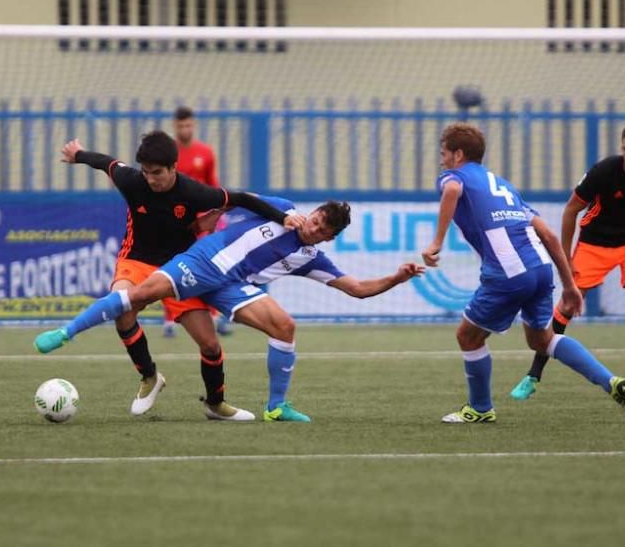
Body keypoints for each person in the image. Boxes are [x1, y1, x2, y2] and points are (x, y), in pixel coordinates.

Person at [35, 199, 425, 422]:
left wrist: (397, 277)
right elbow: (236, 198)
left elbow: (356, 289)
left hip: (230, 287)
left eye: (322, 230)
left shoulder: (310, 257)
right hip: (202, 262)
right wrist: (205, 222)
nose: (313, 228)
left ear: (328, 237)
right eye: (316, 219)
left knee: (284, 327)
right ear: (314, 212)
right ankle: (67, 332)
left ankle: (275, 406)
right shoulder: (284, 209)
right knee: (137, 297)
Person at [50, 130, 304, 421]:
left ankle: (215, 404)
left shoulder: (193, 192)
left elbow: (242, 199)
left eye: (157, 172)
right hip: (137, 259)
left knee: (209, 344)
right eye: (145, 172)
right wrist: (78, 155)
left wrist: (283, 218)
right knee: (122, 308)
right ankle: (149, 377)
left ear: (173, 168)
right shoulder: (132, 181)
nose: (150, 178)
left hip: (182, 268)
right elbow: (107, 163)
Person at [421, 123, 625, 423]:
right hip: (540, 268)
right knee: (543, 340)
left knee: (468, 337)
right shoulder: (504, 186)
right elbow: (549, 237)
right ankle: (610, 381)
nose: (442, 159)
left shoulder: (454, 176)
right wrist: (569, 285)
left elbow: (451, 189)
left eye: (444, 153)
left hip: (509, 273)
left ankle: (481, 409)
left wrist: (436, 242)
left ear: (458, 154)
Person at [511, 122, 625, 402]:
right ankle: (532, 376)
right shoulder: (604, 171)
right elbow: (571, 211)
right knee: (567, 303)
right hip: (594, 244)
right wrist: (565, 257)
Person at [169, 105, 233, 337]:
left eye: (188, 125)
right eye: (181, 125)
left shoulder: (205, 152)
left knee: (210, 265)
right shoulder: (169, 153)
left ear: (193, 125)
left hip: (202, 221)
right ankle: (170, 320)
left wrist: (217, 213)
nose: (185, 129)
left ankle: (215, 316)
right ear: (175, 126)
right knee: (174, 264)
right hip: (176, 219)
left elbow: (212, 185)